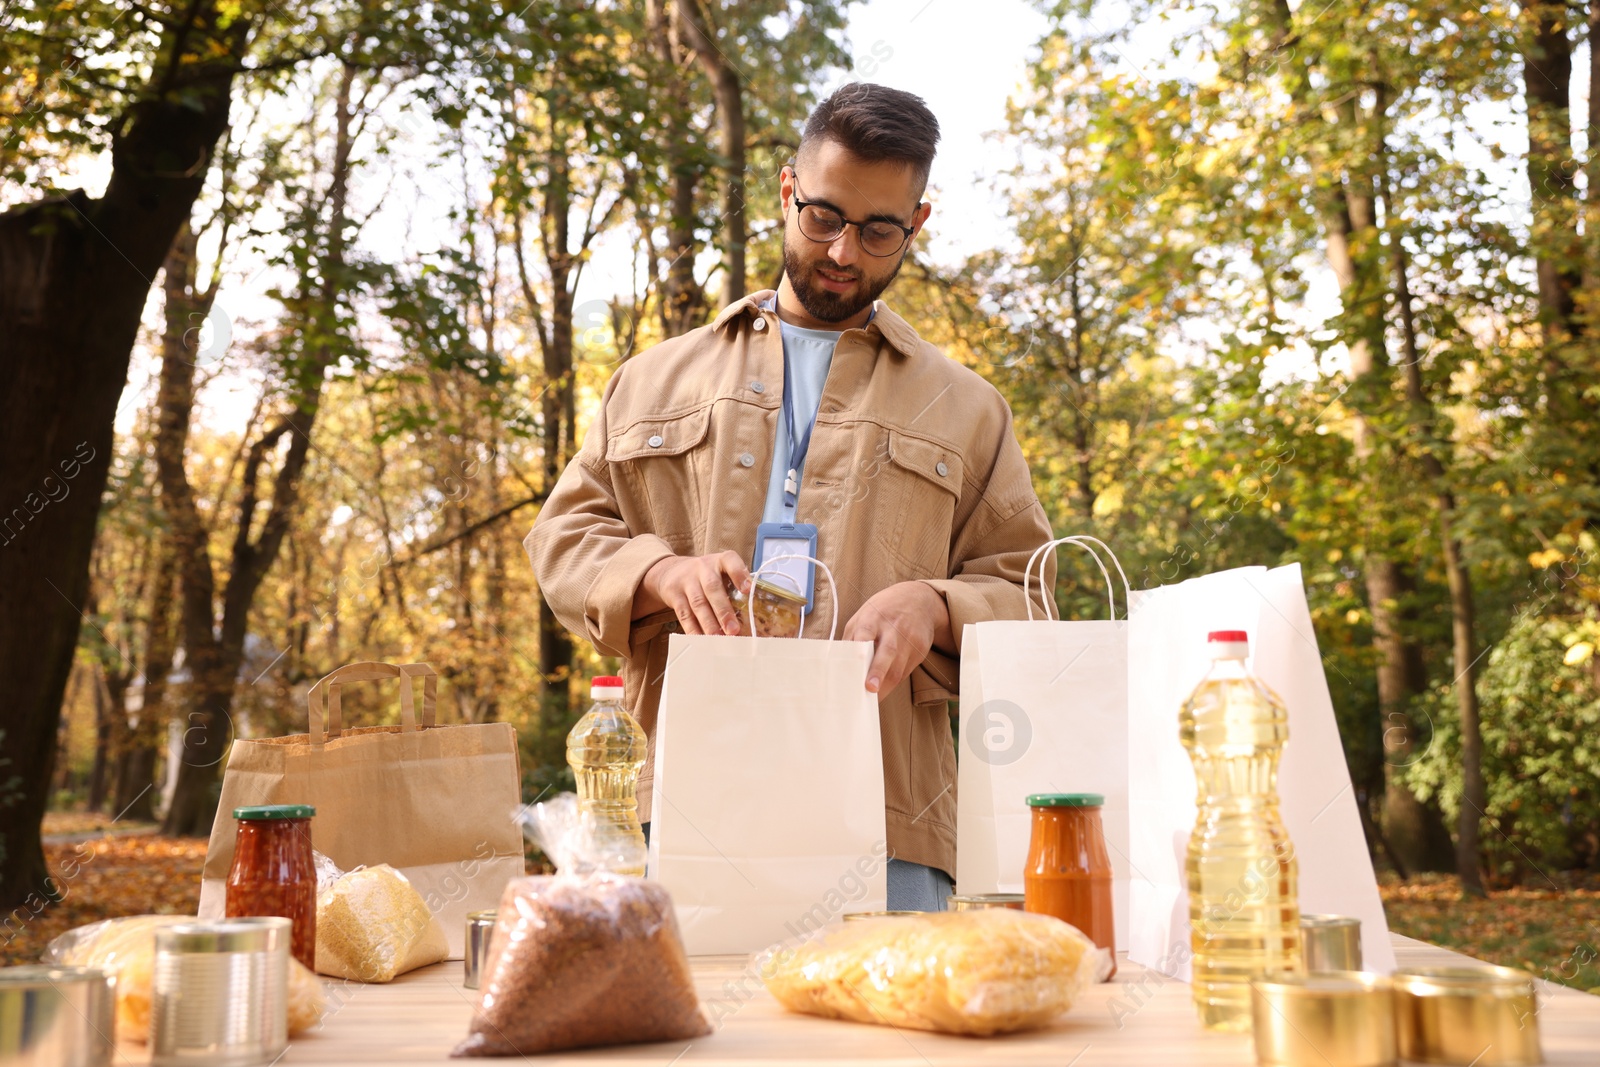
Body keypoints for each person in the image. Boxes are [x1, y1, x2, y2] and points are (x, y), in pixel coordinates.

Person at [525, 82, 1053, 910]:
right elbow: (562, 541)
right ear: (786, 192)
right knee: (677, 1035)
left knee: (886, 1039)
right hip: (675, 803)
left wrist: (937, 604)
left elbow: (1032, 591)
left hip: (889, 826)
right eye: (823, 217)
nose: (844, 250)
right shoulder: (652, 379)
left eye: (879, 230)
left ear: (917, 223)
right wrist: (659, 573)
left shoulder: (968, 409)